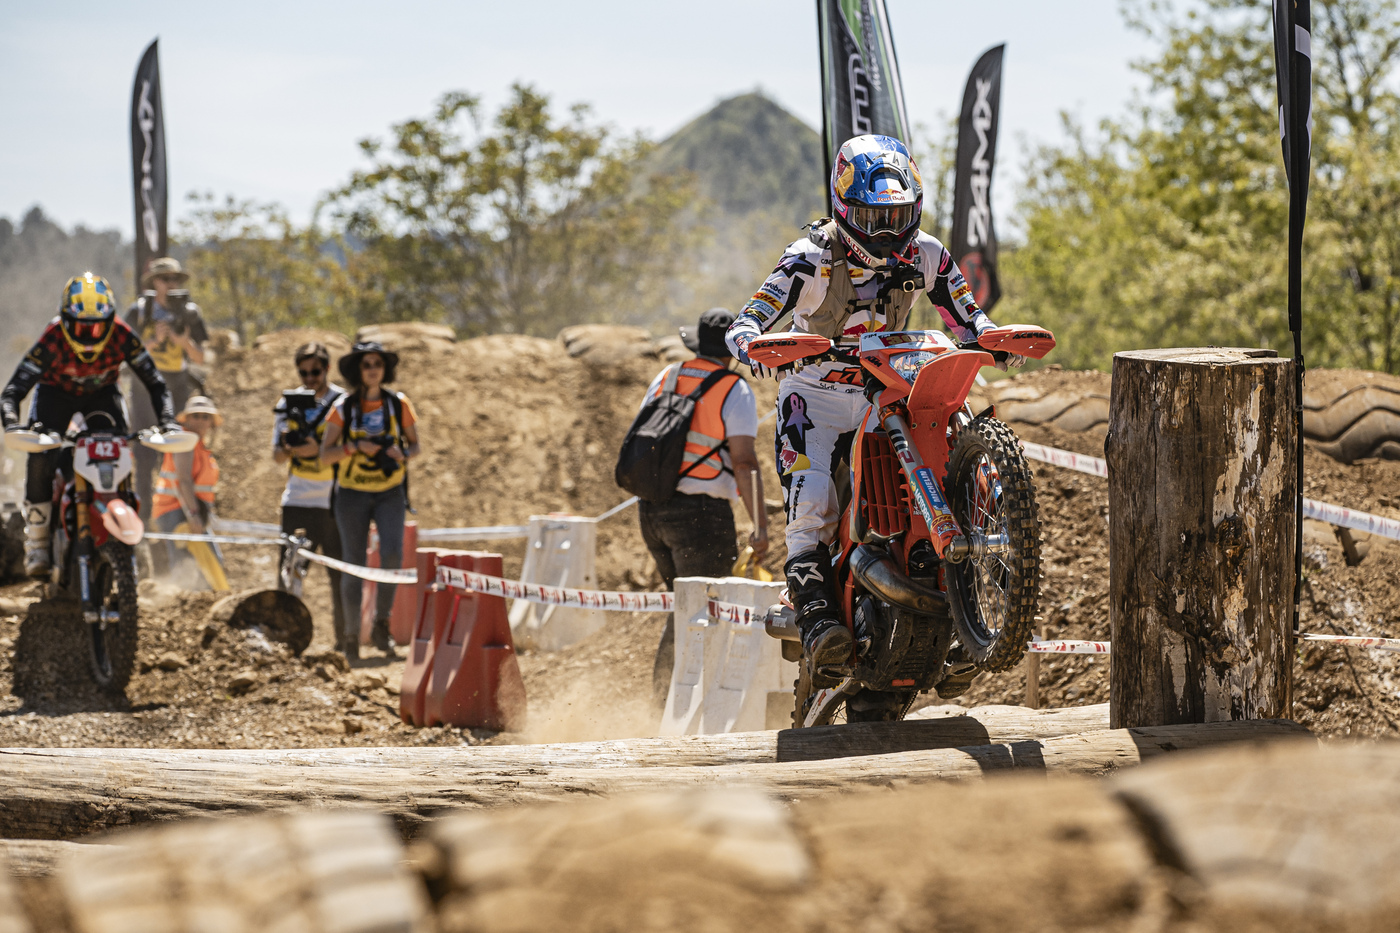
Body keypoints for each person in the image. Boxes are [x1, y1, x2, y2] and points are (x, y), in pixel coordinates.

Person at [726, 134, 1026, 686]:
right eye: (873, 218)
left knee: (947, 458)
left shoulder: (928, 252)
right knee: (812, 500)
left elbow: (969, 318)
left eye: (897, 217)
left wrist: (992, 339)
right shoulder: (809, 258)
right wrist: (753, 345)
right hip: (814, 396)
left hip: (887, 391)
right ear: (844, 208)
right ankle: (817, 619)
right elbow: (747, 320)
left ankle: (973, 610)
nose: (887, 232)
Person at [0, 273, 176, 576]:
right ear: (66, 320)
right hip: (55, 394)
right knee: (41, 456)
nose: (90, 335)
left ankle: (128, 534)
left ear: (110, 321)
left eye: (97, 326)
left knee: (119, 450)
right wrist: (13, 425)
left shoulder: (122, 334)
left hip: (101, 396)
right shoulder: (53, 336)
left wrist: (168, 422)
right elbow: (13, 390)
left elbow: (156, 383)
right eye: (82, 327)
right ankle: (37, 542)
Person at [638, 309, 768, 698]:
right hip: (700, 517)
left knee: (683, 609)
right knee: (702, 610)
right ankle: (681, 706)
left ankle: (666, 702)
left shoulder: (667, 376)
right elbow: (743, 462)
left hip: (652, 510)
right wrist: (760, 525)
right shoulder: (733, 389)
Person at [319, 341, 420, 662]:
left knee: (392, 554)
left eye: (378, 363)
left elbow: (415, 445)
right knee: (353, 563)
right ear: (357, 371)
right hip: (351, 495)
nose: (373, 369)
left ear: (385, 369)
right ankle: (351, 636)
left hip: (390, 492)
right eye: (366, 364)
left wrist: (401, 453)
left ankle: (381, 625)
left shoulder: (398, 404)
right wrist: (355, 447)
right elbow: (324, 455)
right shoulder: (343, 407)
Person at [271, 343, 348, 649]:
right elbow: (277, 456)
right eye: (303, 373)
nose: (310, 378)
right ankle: (283, 639)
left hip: (333, 501)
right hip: (297, 500)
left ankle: (346, 642)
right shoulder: (288, 402)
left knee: (339, 576)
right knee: (288, 574)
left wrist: (317, 449)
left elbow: (342, 448)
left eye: (315, 371)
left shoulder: (343, 402)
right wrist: (290, 446)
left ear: (327, 369)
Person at [124, 257, 209, 523]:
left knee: (175, 454)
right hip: (144, 388)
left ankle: (173, 519)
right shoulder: (139, 311)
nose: (171, 284)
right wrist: (152, 341)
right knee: (144, 456)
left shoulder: (190, 312)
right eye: (165, 279)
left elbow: (201, 358)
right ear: (154, 283)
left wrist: (184, 342)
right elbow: (124, 354)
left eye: (175, 279)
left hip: (177, 388)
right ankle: (143, 521)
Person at [150, 396, 228, 591]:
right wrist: (193, 514)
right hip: (177, 511)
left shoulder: (199, 446)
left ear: (211, 422)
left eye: (205, 416)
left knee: (207, 565)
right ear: (187, 419)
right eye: (196, 416)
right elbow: (183, 480)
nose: (200, 420)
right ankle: (175, 603)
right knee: (185, 566)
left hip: (190, 510)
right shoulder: (185, 441)